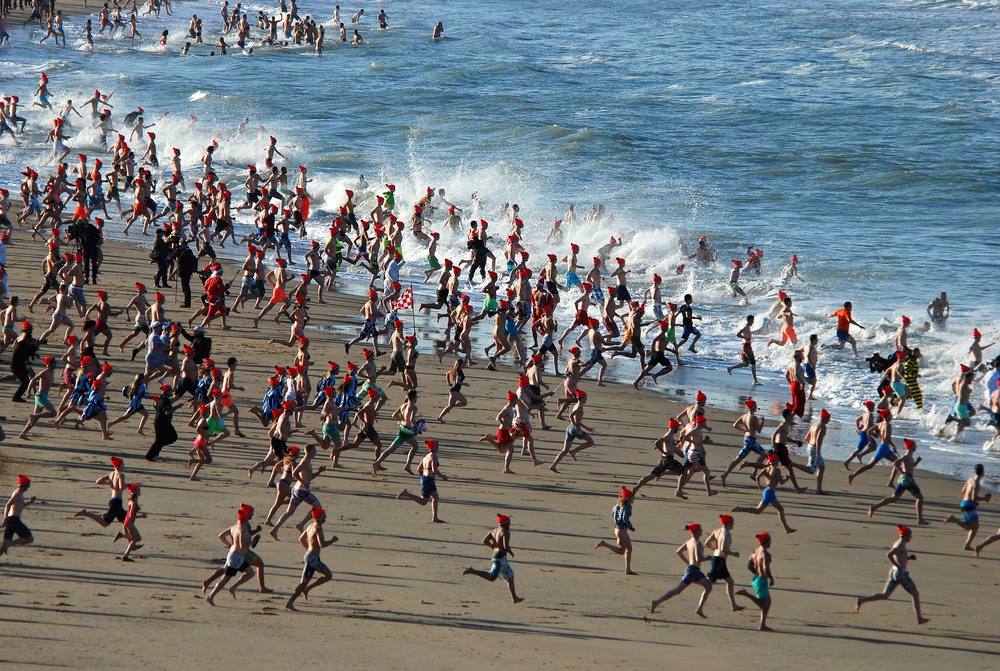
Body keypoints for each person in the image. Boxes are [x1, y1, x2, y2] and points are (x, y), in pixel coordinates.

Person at [856, 526, 929, 625]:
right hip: (901, 574)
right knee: (915, 594)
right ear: (906, 536)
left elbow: (900, 557)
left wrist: (909, 558)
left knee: (885, 595)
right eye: (910, 536)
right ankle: (919, 619)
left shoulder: (899, 544)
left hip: (894, 572)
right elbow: (889, 555)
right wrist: (898, 566)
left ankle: (863, 600)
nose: (911, 538)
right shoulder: (900, 545)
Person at [650, 523, 713, 618]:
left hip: (692, 569)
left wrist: (687, 562)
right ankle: (657, 602)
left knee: (707, 587)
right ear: (697, 532)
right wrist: (707, 558)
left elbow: (678, 552)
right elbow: (698, 558)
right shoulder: (698, 543)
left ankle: (699, 609)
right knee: (678, 590)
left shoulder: (689, 542)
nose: (702, 531)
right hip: (693, 571)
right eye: (700, 530)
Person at [462, 514, 523, 604]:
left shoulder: (493, 531)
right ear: (505, 524)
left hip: (498, 556)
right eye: (509, 523)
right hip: (500, 558)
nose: (509, 525)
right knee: (491, 577)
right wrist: (511, 552)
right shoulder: (505, 532)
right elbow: (506, 546)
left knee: (510, 576)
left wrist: (492, 546)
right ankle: (473, 571)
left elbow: (484, 541)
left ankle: (514, 598)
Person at [285, 508, 338, 611]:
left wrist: (309, 550)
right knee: (304, 582)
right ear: (321, 517)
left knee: (328, 575)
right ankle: (290, 602)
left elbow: (301, 539)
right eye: (324, 515)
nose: (326, 517)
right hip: (312, 559)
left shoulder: (310, 526)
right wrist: (332, 541)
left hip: (312, 557)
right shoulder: (318, 528)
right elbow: (322, 544)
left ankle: (307, 588)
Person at [729, 454, 797, 533]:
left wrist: (760, 485)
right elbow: (781, 482)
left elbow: (757, 477)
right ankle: (740, 509)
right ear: (776, 461)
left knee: (781, 509)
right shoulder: (776, 470)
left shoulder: (766, 468)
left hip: (768, 491)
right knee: (758, 511)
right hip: (770, 493)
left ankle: (787, 528)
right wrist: (787, 478)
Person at [205, 504, 258, 606]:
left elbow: (221, 536)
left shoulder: (234, 527)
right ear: (247, 515)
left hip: (235, 556)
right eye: (251, 513)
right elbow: (243, 546)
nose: (253, 515)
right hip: (236, 558)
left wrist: (230, 545)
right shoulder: (242, 529)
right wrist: (253, 541)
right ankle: (210, 597)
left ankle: (233, 587)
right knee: (225, 578)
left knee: (250, 573)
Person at [867, 439, 928, 526]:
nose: (916, 447)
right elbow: (895, 463)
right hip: (908, 480)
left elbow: (910, 468)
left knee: (894, 498)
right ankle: (920, 519)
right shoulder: (906, 456)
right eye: (915, 445)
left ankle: (874, 507)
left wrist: (917, 462)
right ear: (911, 447)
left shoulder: (910, 456)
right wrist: (901, 471)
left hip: (904, 479)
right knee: (920, 498)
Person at [396, 439, 448, 523]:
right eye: (437, 446)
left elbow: (418, 469)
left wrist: (423, 477)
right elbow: (434, 470)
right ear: (434, 447)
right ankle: (406, 494)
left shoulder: (426, 456)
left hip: (426, 479)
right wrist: (443, 476)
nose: (438, 447)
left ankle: (435, 517)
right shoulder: (434, 457)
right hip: (428, 480)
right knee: (423, 502)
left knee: (435, 496)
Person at [943, 464, 991, 551]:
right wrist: (984, 498)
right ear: (983, 471)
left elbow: (963, 491)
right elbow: (974, 497)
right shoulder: (976, 483)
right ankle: (967, 545)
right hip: (969, 504)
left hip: (964, 503)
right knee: (975, 527)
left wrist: (973, 501)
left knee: (969, 527)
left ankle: (955, 520)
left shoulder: (971, 479)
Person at [704, 514, 745, 612]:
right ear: (728, 523)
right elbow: (723, 549)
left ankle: (733, 605)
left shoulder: (716, 531)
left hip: (717, 559)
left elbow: (707, 542)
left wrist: (714, 549)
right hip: (719, 561)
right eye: (732, 522)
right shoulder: (726, 534)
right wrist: (734, 553)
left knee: (730, 581)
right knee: (708, 585)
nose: (733, 524)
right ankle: (700, 606)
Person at [74, 456, 126, 531]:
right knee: (105, 523)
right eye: (123, 464)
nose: (124, 465)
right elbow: (121, 487)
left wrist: (110, 484)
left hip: (113, 500)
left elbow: (98, 482)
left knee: (125, 521)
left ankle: (129, 540)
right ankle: (86, 513)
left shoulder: (110, 474)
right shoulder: (121, 475)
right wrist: (128, 486)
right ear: (120, 465)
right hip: (116, 502)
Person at [736, 532, 775, 631]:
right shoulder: (765, 554)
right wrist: (771, 578)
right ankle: (746, 594)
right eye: (770, 539)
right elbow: (766, 569)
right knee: (763, 604)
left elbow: (749, 566)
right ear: (767, 542)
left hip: (756, 579)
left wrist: (756, 573)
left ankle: (763, 624)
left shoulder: (755, 551)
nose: (771, 541)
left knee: (768, 602)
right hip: (761, 581)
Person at [595, 487, 637, 575]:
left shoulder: (617, 505)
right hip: (621, 530)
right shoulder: (628, 506)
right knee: (622, 551)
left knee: (629, 549)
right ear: (629, 498)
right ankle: (604, 544)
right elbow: (624, 517)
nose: (634, 499)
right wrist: (630, 527)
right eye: (633, 497)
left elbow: (612, 513)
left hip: (617, 529)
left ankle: (628, 569)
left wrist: (617, 522)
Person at [1, 475, 36, 557]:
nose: (29, 487)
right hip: (13, 520)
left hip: (12, 520)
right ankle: (11, 543)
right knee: (29, 538)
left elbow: (21, 506)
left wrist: (30, 502)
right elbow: (8, 505)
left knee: (4, 545)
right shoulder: (17, 493)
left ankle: (9, 543)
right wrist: (5, 518)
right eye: (28, 485)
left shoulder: (19, 493)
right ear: (25, 485)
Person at [726, 315, 759, 384]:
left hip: (745, 346)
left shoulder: (748, 328)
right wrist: (746, 338)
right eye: (753, 320)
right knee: (753, 364)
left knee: (746, 363)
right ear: (750, 320)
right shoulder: (746, 328)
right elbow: (738, 334)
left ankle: (731, 368)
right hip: (747, 347)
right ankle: (755, 381)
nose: (753, 322)